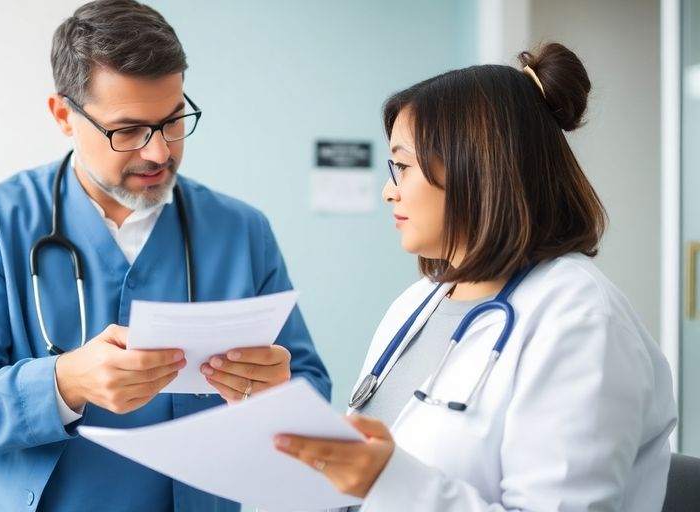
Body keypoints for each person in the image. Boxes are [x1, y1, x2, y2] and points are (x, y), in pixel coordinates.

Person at [0, 1, 330, 511]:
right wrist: (64, 382)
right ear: (63, 115)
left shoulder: (241, 232)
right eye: (127, 130)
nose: (158, 152)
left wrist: (274, 394)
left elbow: (309, 396)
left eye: (173, 121)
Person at [274, 43, 676, 511]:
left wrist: (390, 482)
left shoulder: (581, 320)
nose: (389, 191)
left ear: (476, 169)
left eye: (401, 166)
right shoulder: (420, 302)